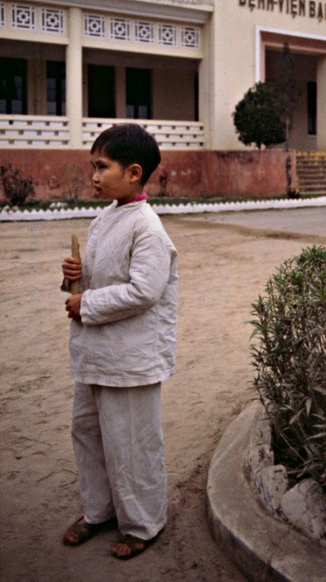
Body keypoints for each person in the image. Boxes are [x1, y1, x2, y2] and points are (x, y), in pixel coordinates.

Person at [60, 123, 178, 560]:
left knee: (131, 442)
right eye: (93, 165)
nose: (93, 174)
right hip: (95, 354)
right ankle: (99, 510)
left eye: (101, 166)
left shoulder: (147, 227)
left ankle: (143, 523)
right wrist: (74, 279)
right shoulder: (106, 216)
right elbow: (101, 278)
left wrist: (86, 303)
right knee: (88, 432)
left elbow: (144, 290)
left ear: (133, 172)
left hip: (130, 359)